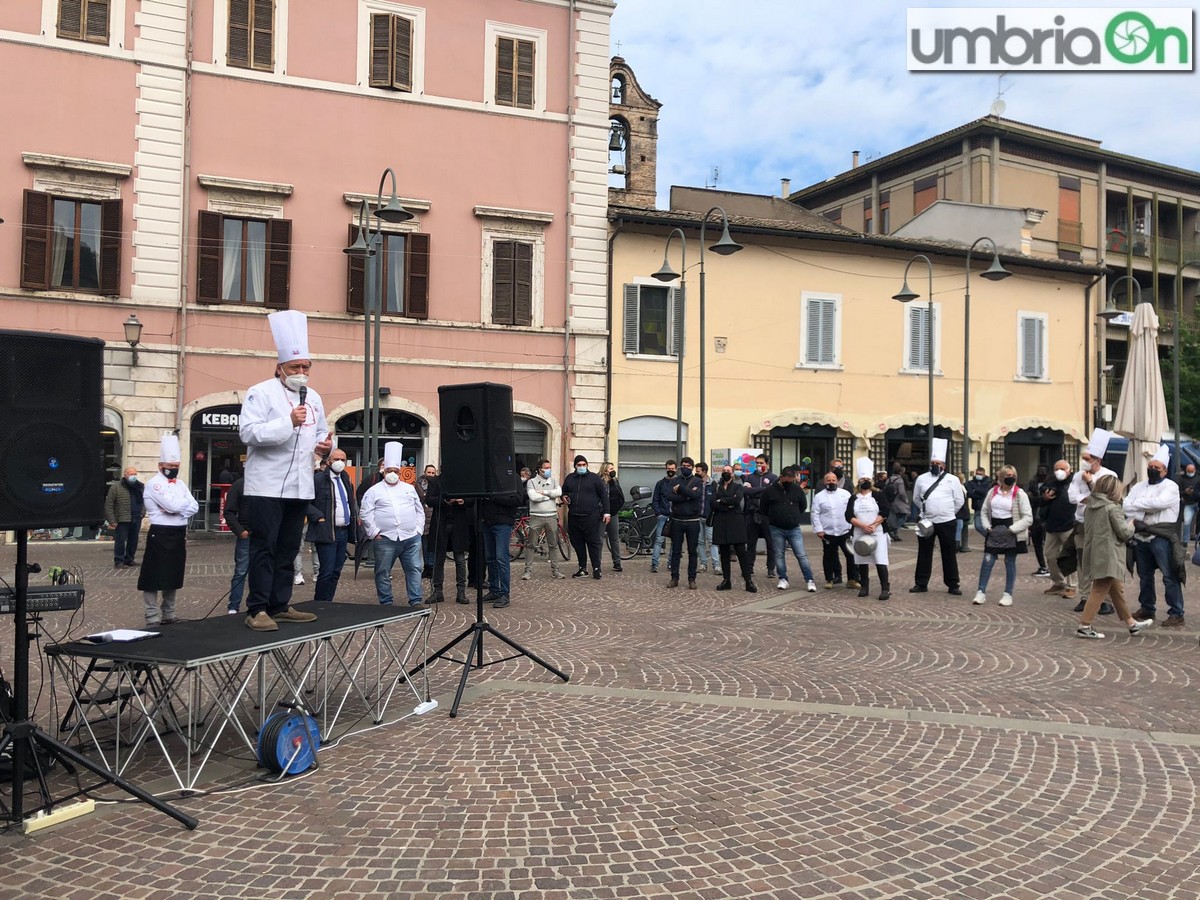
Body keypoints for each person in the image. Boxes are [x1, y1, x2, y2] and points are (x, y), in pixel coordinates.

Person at [237, 310, 327, 632]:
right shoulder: (260, 392)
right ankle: (257, 608)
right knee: (265, 546)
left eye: (306, 367)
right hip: (267, 485)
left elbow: (321, 433)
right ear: (279, 367)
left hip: (301, 485)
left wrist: (325, 445)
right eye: (295, 367)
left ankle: (280, 603)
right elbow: (247, 433)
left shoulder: (314, 397)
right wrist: (286, 423)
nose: (301, 372)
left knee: (289, 549)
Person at [1076, 474, 1155, 640]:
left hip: (1095, 551)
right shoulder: (1112, 508)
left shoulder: (1091, 505)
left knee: (1116, 590)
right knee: (1099, 589)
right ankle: (1084, 625)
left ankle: (1131, 623)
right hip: (1109, 554)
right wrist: (1132, 523)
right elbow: (1124, 533)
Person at [138, 434, 199, 627]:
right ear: (160, 465)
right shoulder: (153, 484)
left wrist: (177, 510)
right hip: (160, 533)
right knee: (153, 575)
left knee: (173, 574)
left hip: (178, 533)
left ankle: (169, 613)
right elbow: (173, 506)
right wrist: (179, 509)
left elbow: (194, 506)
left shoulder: (180, 484)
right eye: (170, 466)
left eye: (176, 466)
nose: (173, 470)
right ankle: (152, 615)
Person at [360, 441, 426, 610]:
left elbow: (419, 509)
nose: (392, 474)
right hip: (385, 538)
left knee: (414, 569)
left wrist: (418, 529)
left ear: (400, 471)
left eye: (396, 471)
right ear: (383, 471)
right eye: (389, 471)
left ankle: (415, 599)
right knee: (382, 572)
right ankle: (386, 602)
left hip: (410, 537)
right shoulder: (374, 490)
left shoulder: (409, 489)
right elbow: (366, 512)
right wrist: (374, 532)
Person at [1125, 444, 1184, 628]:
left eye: (1156, 468)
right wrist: (1141, 505)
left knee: (1169, 575)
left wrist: (1138, 504)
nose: (1152, 470)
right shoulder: (1139, 486)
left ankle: (1176, 612)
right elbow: (1126, 505)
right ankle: (1147, 607)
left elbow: (1160, 503)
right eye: (1150, 467)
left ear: (1165, 471)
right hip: (1141, 537)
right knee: (1145, 576)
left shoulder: (1171, 487)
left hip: (1161, 538)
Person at [1069, 428, 1118, 614]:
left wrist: (1090, 485)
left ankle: (1104, 599)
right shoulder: (1076, 475)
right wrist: (1088, 498)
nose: (1084, 462)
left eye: (1087, 459)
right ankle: (1084, 596)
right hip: (1082, 522)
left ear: (1097, 460)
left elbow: (1107, 497)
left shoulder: (1109, 475)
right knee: (1082, 560)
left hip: (1101, 524)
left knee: (1101, 561)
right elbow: (1071, 496)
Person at [973, 464, 1033, 607]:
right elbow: (984, 511)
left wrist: (1012, 529)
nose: (1010, 478)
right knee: (987, 561)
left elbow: (1028, 517)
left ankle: (1008, 593)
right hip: (993, 530)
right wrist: (987, 526)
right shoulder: (992, 492)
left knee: (1009, 562)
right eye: (1007, 476)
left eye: (1013, 476)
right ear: (1001, 477)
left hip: (1011, 531)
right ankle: (981, 592)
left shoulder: (1020, 494)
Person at [910, 438, 965, 595]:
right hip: (927, 520)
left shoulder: (952, 480)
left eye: (938, 463)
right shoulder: (921, 479)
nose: (935, 465)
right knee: (924, 553)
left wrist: (947, 512)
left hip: (947, 521)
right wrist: (926, 510)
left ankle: (953, 584)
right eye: (933, 462)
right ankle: (921, 583)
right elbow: (916, 498)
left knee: (949, 553)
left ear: (944, 466)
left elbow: (959, 501)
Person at [305, 447, 358, 603]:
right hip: (326, 531)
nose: (340, 462)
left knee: (336, 571)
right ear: (329, 462)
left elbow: (349, 502)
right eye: (336, 459)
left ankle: (329, 601)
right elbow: (305, 503)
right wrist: (319, 517)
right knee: (326, 571)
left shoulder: (346, 480)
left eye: (343, 459)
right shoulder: (318, 479)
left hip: (343, 531)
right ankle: (320, 603)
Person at [761, 466, 817, 592]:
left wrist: (794, 516)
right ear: (781, 477)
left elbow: (803, 506)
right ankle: (783, 578)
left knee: (801, 555)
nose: (789, 483)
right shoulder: (770, 491)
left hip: (793, 528)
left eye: (791, 481)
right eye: (787, 481)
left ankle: (809, 579)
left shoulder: (797, 490)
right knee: (779, 555)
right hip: (776, 528)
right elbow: (763, 507)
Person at [846, 458, 890, 601]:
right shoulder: (854, 498)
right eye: (862, 478)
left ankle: (885, 588)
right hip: (860, 532)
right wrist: (862, 525)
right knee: (862, 560)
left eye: (867, 478)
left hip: (877, 533)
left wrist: (874, 525)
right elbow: (848, 516)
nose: (864, 481)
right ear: (858, 481)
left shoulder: (878, 494)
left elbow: (885, 511)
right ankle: (864, 586)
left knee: (880, 560)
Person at [561, 454, 608, 579]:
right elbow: (563, 492)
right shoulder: (570, 478)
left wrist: (606, 512)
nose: (581, 467)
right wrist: (563, 497)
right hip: (574, 516)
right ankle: (582, 568)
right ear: (575, 466)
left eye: (584, 465)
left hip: (591, 516)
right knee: (578, 543)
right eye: (579, 465)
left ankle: (597, 568)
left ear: (587, 465)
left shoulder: (594, 478)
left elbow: (603, 496)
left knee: (593, 543)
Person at [712, 464, 756, 592]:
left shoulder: (738, 486)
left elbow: (737, 501)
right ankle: (726, 580)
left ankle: (748, 581)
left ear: (732, 473)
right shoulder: (717, 486)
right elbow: (713, 502)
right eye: (724, 471)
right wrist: (726, 503)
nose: (726, 473)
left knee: (741, 552)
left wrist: (722, 501)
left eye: (728, 471)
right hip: (721, 521)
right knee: (724, 552)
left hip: (736, 521)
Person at [1040, 459, 1078, 601]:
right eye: (1057, 469)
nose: (1059, 472)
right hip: (1052, 525)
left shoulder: (1075, 483)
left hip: (1069, 524)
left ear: (1069, 470)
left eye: (1062, 469)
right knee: (1050, 555)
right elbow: (1042, 493)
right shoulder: (1051, 482)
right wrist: (1045, 496)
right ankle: (1059, 582)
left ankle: (1072, 586)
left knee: (1069, 556)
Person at [664, 456, 704, 589]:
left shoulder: (697, 481)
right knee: (676, 550)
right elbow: (669, 496)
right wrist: (687, 495)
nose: (685, 468)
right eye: (683, 466)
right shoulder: (674, 480)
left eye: (688, 466)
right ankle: (674, 578)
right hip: (677, 520)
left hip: (693, 520)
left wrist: (680, 489)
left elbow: (696, 495)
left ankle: (692, 579)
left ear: (692, 467)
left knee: (693, 551)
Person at [524, 458, 566, 581]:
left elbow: (558, 492)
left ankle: (555, 570)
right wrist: (548, 496)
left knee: (553, 544)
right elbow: (533, 496)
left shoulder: (553, 480)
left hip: (552, 515)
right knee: (531, 544)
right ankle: (527, 571)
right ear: (539, 470)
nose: (548, 470)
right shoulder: (531, 481)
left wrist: (543, 492)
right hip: (536, 516)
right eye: (546, 468)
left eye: (549, 467)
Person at [481, 485, 522, 609]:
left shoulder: (511, 477)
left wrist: (493, 497)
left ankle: (504, 593)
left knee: (501, 558)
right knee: (490, 558)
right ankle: (494, 589)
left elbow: (517, 500)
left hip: (503, 522)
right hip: (487, 521)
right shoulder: (487, 476)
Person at [811, 471, 854, 589]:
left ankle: (852, 579)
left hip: (845, 529)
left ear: (837, 481)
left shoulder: (845, 494)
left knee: (850, 555)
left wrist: (852, 526)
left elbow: (852, 510)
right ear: (825, 482)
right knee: (829, 556)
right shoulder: (819, 496)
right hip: (828, 531)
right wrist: (819, 529)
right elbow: (815, 513)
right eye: (828, 480)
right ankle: (830, 579)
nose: (831, 482)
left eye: (833, 480)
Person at [431, 494, 474, 604]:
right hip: (441, 523)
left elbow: (471, 500)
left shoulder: (461, 483)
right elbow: (430, 500)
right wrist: (446, 500)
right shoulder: (436, 481)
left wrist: (462, 501)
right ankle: (437, 591)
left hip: (459, 524)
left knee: (460, 559)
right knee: (439, 559)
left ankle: (461, 592)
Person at [742, 454, 778, 578]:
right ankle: (749, 568)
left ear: (767, 464)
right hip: (752, 513)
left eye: (761, 463)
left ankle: (771, 569)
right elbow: (745, 491)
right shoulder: (749, 477)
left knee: (771, 543)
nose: (759, 466)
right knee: (751, 543)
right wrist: (763, 490)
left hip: (767, 515)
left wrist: (755, 490)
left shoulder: (774, 478)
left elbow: (773, 493)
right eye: (757, 463)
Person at [104, 466, 144, 568]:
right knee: (120, 541)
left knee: (133, 540)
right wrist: (112, 520)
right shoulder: (116, 487)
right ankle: (119, 561)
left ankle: (129, 559)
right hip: (122, 518)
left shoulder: (140, 487)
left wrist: (142, 513)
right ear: (125, 475)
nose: (133, 476)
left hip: (136, 518)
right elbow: (109, 505)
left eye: (135, 474)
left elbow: (145, 501)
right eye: (131, 474)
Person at [224, 476, 250, 615]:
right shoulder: (239, 484)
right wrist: (240, 531)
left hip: (264, 535)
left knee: (262, 571)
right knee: (241, 572)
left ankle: (258, 604)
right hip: (247, 535)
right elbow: (229, 512)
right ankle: (234, 605)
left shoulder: (268, 483)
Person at [649, 460, 676, 574]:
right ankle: (654, 564)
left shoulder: (680, 482)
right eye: (669, 468)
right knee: (659, 540)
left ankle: (671, 563)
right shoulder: (660, 483)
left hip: (675, 516)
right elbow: (655, 500)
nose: (670, 471)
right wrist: (658, 513)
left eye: (672, 469)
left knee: (674, 542)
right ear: (666, 468)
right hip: (663, 515)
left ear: (676, 469)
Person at [1026, 464, 1051, 576]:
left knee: (1049, 544)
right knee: (1037, 544)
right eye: (1039, 471)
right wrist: (1042, 498)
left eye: (1043, 471)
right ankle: (1042, 565)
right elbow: (1029, 497)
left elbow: (1050, 500)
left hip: (1047, 518)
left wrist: (1038, 499)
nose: (1041, 473)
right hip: (1035, 517)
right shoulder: (1033, 483)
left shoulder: (1051, 483)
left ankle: (1051, 566)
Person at [601, 461, 625, 573]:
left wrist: (619, 506)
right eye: (611, 469)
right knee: (599, 539)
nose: (613, 471)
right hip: (602, 515)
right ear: (605, 470)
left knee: (614, 539)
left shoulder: (615, 481)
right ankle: (597, 562)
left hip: (614, 513)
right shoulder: (600, 481)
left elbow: (620, 494)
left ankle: (617, 563)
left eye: (613, 468)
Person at [696, 462, 719, 575]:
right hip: (698, 516)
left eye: (698, 471)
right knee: (700, 542)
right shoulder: (696, 483)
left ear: (704, 471)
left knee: (712, 542)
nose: (696, 473)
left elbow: (716, 501)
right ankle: (703, 564)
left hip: (710, 517)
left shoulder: (713, 484)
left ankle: (716, 565)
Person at [965, 466, 993, 539]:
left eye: (980, 474)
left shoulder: (989, 482)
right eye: (977, 473)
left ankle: (991, 538)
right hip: (977, 507)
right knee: (978, 526)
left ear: (984, 474)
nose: (978, 475)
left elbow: (985, 492)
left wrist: (975, 490)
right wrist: (978, 492)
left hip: (986, 507)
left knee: (983, 525)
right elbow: (970, 493)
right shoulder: (971, 482)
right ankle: (991, 538)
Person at [885, 462, 910, 540]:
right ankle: (893, 530)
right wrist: (905, 500)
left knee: (894, 517)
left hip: (890, 501)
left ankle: (894, 533)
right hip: (898, 500)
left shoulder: (889, 479)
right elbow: (902, 492)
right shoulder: (899, 480)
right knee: (903, 516)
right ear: (900, 471)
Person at [1175, 461, 1198, 541]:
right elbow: (1177, 492)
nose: (1190, 473)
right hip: (1188, 503)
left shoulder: (1198, 478)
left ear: (1195, 470)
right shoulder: (1181, 479)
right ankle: (1185, 541)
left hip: (1197, 502)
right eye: (1189, 471)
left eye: (1192, 471)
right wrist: (1185, 492)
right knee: (1186, 523)